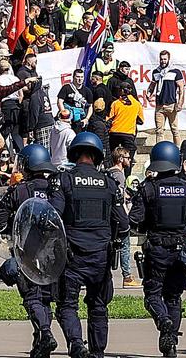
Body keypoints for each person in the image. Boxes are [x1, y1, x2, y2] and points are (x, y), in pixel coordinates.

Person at [50, 132, 130, 358]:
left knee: (67, 305)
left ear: (74, 154)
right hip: (101, 258)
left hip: (72, 257)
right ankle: (97, 352)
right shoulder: (109, 183)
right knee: (98, 306)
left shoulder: (64, 180)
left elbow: (53, 217)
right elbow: (123, 225)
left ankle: (76, 344)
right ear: (97, 156)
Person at [129, 141, 186, 358]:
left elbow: (135, 220)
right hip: (181, 250)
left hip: (157, 250)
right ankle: (171, 344)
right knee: (173, 297)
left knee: (152, 295)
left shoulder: (148, 188)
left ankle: (164, 323)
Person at [0, 144, 59, 358]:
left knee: (32, 297)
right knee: (45, 298)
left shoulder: (19, 191)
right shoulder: (55, 188)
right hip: (53, 252)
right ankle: (40, 339)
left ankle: (44, 333)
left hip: (27, 251)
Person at [147, 51, 185, 145]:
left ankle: (178, 150)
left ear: (168, 59)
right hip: (159, 105)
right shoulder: (156, 71)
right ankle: (159, 151)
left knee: (174, 129)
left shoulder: (175, 71)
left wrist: (180, 103)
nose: (163, 61)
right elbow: (152, 85)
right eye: (161, 59)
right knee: (159, 131)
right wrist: (149, 93)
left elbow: (181, 88)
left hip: (171, 104)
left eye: (165, 59)